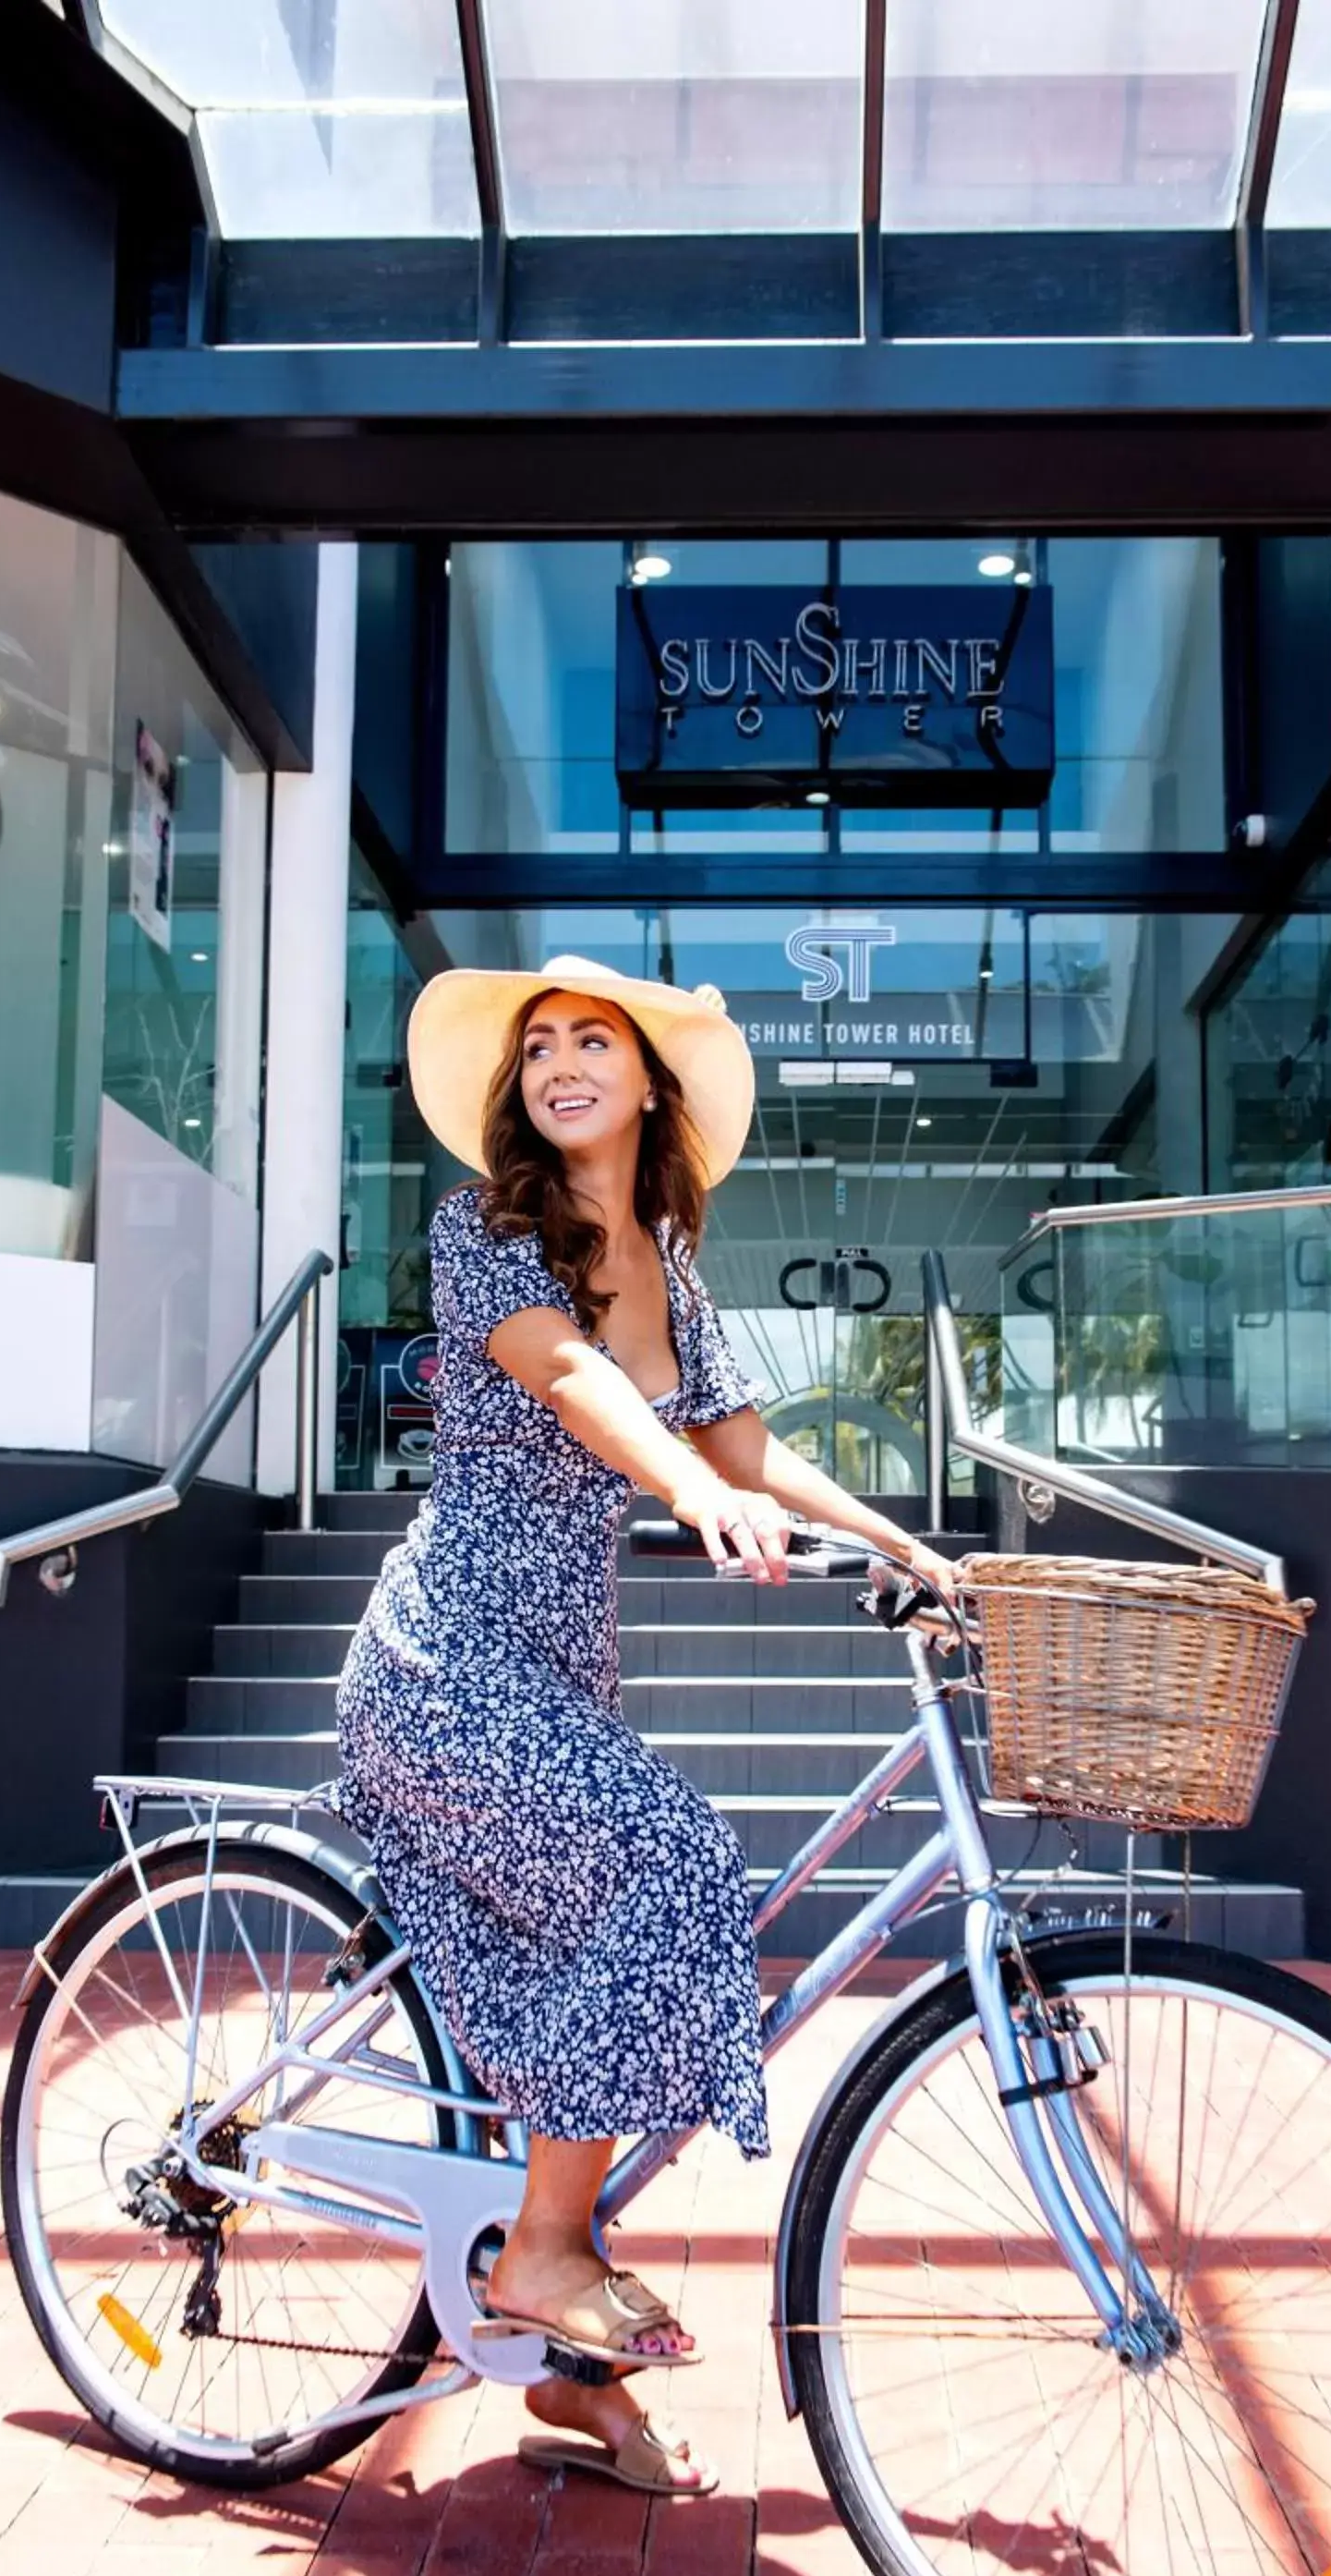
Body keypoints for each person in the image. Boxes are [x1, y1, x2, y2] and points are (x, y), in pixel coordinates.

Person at [336, 955, 958, 2497]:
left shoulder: (670, 1263)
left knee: (609, 1957)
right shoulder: (485, 1232)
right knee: (674, 1853)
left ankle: (558, 2366)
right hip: (448, 1664)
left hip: (554, 1676)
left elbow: (746, 1447)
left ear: (646, 1084)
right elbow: (572, 1386)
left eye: (588, 1038)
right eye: (536, 1044)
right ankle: (546, 2253)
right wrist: (684, 1489)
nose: (556, 1060)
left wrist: (904, 1547)